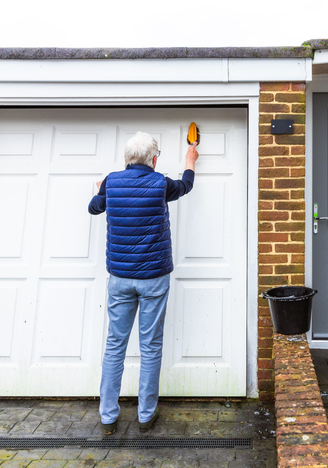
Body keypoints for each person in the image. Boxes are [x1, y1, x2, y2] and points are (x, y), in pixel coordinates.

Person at [88, 131, 199, 435]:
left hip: (120, 279)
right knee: (150, 347)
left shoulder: (111, 182)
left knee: (114, 346)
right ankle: (145, 416)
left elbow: (94, 208)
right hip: (153, 279)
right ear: (153, 158)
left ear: (127, 158)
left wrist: (101, 191)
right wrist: (190, 161)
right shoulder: (160, 183)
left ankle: (108, 417)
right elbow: (186, 186)